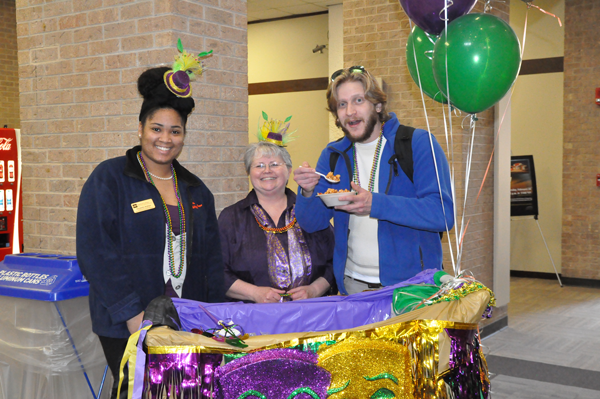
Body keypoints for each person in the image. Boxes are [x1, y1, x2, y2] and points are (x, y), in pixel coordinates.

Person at [76, 45, 223, 399]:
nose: (165, 139)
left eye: (175, 131)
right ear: (141, 127)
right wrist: (133, 318)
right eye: (157, 128)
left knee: (185, 393)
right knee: (137, 391)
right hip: (126, 321)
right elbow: (96, 251)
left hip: (187, 320)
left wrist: (214, 318)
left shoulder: (195, 188)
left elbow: (212, 261)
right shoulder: (109, 178)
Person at [293, 66, 454, 295]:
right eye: (342, 104)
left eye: (358, 100)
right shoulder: (332, 155)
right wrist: (307, 192)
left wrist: (376, 204)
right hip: (352, 285)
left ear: (377, 105)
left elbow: (443, 214)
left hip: (412, 287)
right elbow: (312, 223)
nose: (350, 111)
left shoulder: (417, 143)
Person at [219, 137, 335, 303]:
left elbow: (336, 260)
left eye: (274, 164)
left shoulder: (311, 211)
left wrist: (315, 290)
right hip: (252, 320)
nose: (267, 170)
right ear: (249, 173)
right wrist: (254, 293)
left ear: (288, 170)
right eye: (259, 165)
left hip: (311, 316)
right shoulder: (231, 218)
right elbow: (216, 271)